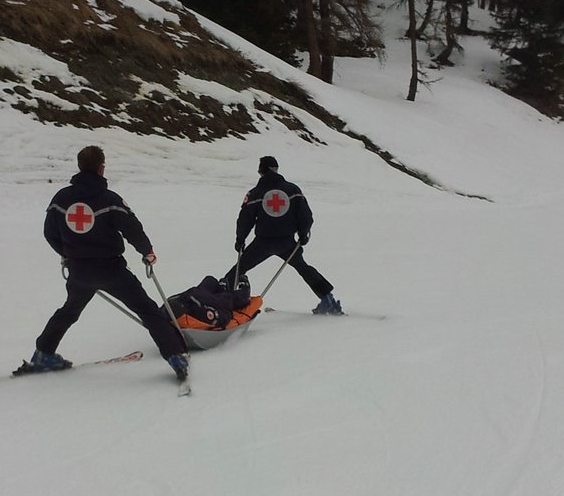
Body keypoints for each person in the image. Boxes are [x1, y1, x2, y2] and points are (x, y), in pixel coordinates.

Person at [25, 145, 190, 380]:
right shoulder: (109, 199)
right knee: (148, 311)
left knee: (69, 311)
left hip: (79, 271)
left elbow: (49, 233)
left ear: (80, 167)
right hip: (111, 270)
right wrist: (147, 251)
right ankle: (176, 357)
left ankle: (43, 354)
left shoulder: (61, 198)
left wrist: (65, 252)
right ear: (101, 168)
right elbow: (131, 228)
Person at [224, 156, 342, 314]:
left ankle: (220, 301)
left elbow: (245, 219)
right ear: (276, 169)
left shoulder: (255, 193)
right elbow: (305, 215)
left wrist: (240, 239)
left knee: (239, 269)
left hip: (262, 244)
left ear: (261, 171)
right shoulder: (293, 190)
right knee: (303, 268)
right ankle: (328, 300)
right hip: (287, 243)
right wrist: (303, 233)